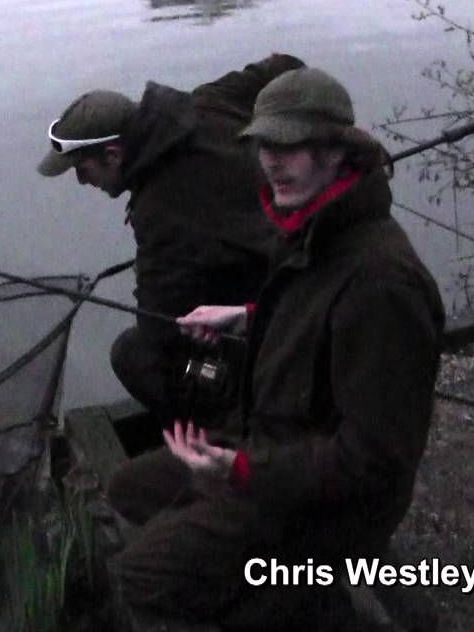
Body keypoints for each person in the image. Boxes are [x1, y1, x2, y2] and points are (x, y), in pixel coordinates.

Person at [105, 67, 446, 630]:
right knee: (129, 490)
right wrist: (245, 318)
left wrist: (238, 471)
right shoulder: (313, 227)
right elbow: (319, 315)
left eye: (289, 144)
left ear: (339, 151)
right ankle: (268, 582)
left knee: (144, 578)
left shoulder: (384, 283)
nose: (270, 160)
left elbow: (375, 463)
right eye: (264, 143)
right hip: (268, 444)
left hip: (325, 504)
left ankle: (307, 600)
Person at [38, 54, 304, 425]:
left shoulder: (160, 213)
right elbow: (287, 67)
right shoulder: (208, 101)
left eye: (83, 171)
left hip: (285, 307)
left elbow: (159, 327)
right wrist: (321, 138)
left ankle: (239, 426)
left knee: (134, 354)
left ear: (113, 154)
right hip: (304, 257)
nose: (84, 183)